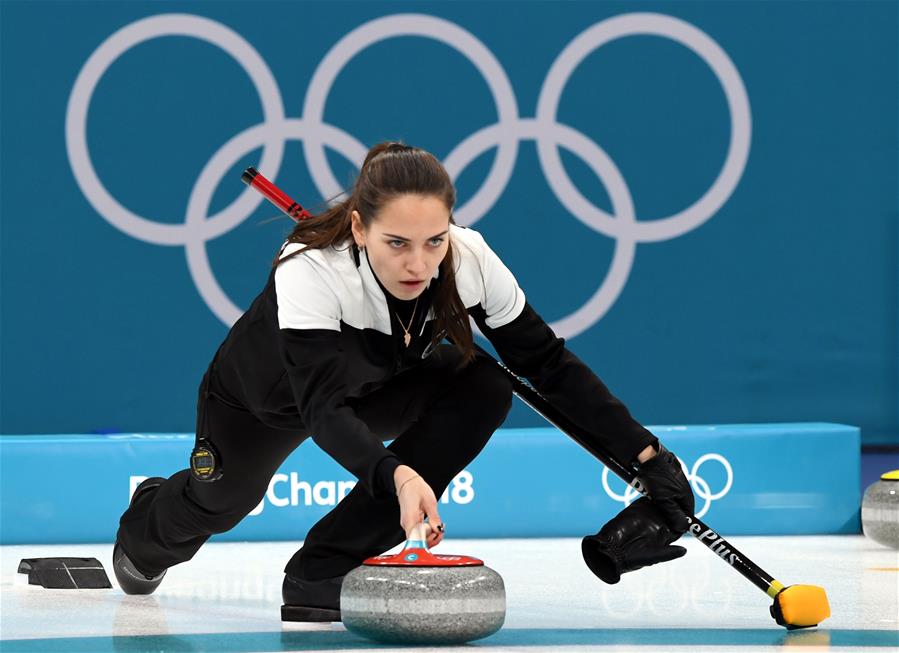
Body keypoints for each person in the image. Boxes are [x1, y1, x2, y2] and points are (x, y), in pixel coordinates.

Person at [113, 142, 695, 621]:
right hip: (262, 403)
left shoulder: (467, 259)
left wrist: (647, 456)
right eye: (397, 243)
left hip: (375, 391)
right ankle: (148, 518)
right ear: (360, 227)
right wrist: (398, 474)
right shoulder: (311, 266)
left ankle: (325, 568)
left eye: (434, 240)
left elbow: (547, 363)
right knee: (219, 505)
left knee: (485, 384)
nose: (419, 264)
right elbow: (322, 410)